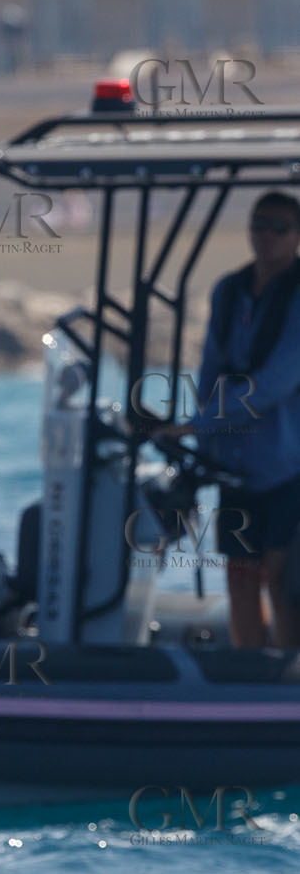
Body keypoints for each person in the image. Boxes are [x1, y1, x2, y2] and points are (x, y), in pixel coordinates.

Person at [167, 190, 300, 649]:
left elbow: (276, 382)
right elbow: (210, 372)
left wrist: (198, 425)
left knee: (283, 580)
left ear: (297, 236)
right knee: (241, 574)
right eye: (259, 224)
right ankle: (249, 670)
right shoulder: (230, 290)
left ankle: (287, 678)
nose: (265, 235)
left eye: (278, 227)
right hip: (235, 463)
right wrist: (199, 451)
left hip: (288, 466)